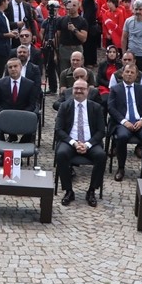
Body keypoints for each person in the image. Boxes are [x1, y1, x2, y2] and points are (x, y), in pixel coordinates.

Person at [54, 78, 107, 206]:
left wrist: (87, 144)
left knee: (101, 156)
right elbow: (58, 130)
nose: (79, 91)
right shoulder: (64, 106)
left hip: (90, 142)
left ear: (87, 91)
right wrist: (74, 143)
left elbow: (101, 131)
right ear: (72, 90)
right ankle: (68, 190)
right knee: (61, 154)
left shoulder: (96, 107)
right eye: (76, 88)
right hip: (70, 142)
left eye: (82, 89)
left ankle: (92, 191)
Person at [107, 63, 142, 182]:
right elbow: (111, 108)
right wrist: (124, 121)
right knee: (122, 137)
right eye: (127, 72)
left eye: (132, 72)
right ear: (122, 73)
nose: (129, 74)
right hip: (123, 123)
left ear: (136, 75)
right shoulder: (115, 89)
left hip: (139, 122)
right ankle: (121, 168)